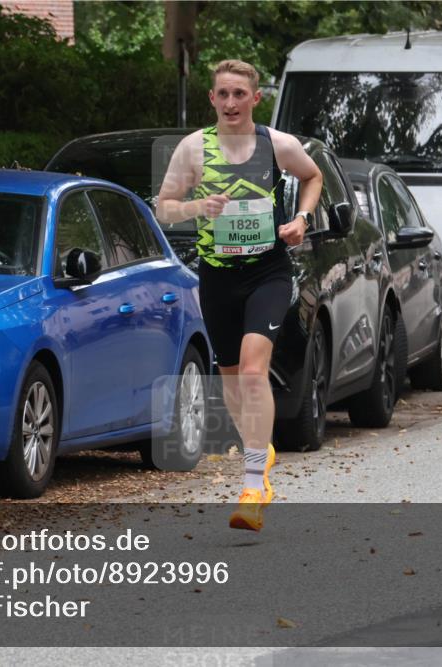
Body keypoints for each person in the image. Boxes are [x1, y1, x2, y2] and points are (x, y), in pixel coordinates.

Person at [156, 59, 322, 531]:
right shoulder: (193, 150)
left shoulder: (278, 145)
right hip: (218, 277)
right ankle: (259, 448)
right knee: (231, 379)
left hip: (268, 270)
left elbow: (313, 178)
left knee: (252, 369)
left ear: (255, 98)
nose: (230, 102)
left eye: (239, 94)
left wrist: (301, 221)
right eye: (222, 94)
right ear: (212, 99)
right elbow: (163, 208)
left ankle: (253, 484)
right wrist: (196, 206)